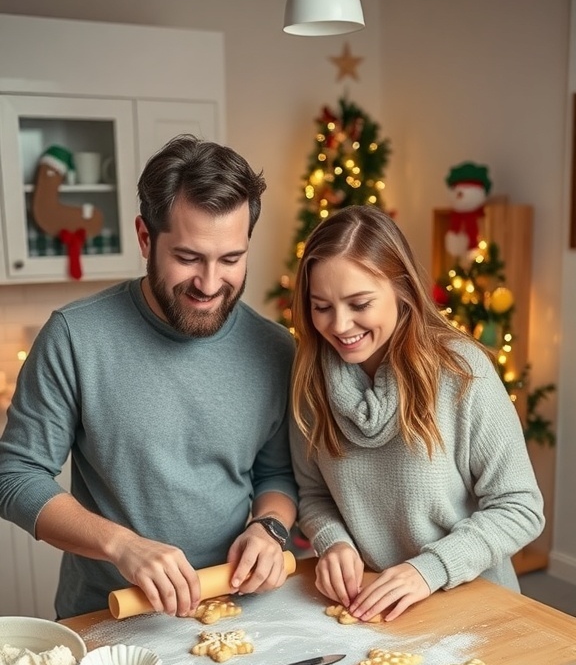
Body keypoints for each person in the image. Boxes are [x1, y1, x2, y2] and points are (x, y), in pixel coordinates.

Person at [0, 135, 297, 619]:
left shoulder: (276, 349)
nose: (209, 283)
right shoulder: (75, 336)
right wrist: (122, 545)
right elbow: (15, 475)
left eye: (231, 259)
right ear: (145, 238)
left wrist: (270, 527)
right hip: (107, 616)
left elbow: (277, 474)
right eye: (188, 258)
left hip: (231, 611)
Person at [289, 205, 545, 623]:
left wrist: (428, 570)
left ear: (402, 289)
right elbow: (314, 494)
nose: (339, 325)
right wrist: (332, 541)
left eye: (359, 303)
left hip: (473, 606)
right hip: (371, 608)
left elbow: (520, 507)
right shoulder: (308, 380)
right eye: (321, 307)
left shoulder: (461, 371)